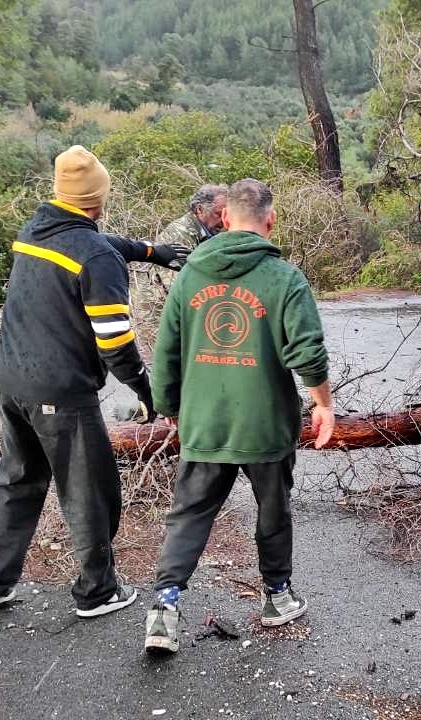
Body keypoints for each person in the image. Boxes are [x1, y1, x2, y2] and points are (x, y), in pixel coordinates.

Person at [143, 178, 335, 654]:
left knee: (189, 514)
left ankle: (164, 608)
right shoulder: (285, 277)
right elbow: (308, 352)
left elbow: (166, 351)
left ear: (225, 218)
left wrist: (169, 407)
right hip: (266, 424)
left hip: (204, 421)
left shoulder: (189, 275)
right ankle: (277, 597)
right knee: (273, 511)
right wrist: (323, 405)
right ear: (269, 222)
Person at [0, 145, 157, 618]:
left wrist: (153, 252)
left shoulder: (35, 230)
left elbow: (98, 242)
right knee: (90, 491)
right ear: (99, 198)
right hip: (59, 392)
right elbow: (114, 341)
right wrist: (146, 389)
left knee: (18, 481)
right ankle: (97, 592)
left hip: (10, 382)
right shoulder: (94, 257)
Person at [156, 184, 229, 250]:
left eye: (226, 215)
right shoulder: (181, 233)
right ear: (200, 209)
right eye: (219, 214)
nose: (223, 219)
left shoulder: (209, 231)